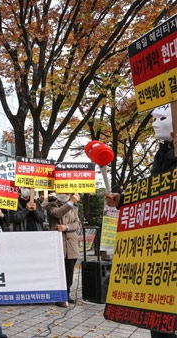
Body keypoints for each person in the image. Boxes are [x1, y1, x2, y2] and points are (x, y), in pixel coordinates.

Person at [105, 104, 176, 338]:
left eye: (162, 117)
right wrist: (122, 200)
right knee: (161, 325)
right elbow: (154, 192)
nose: (155, 123)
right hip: (162, 250)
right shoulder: (163, 152)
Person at [45, 193, 81, 307]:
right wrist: (71, 202)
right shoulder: (50, 205)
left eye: (66, 193)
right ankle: (59, 296)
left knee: (69, 270)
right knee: (59, 270)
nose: (64, 195)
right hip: (57, 242)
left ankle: (67, 294)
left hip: (71, 243)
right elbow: (58, 213)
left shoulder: (74, 208)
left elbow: (77, 224)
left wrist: (67, 227)